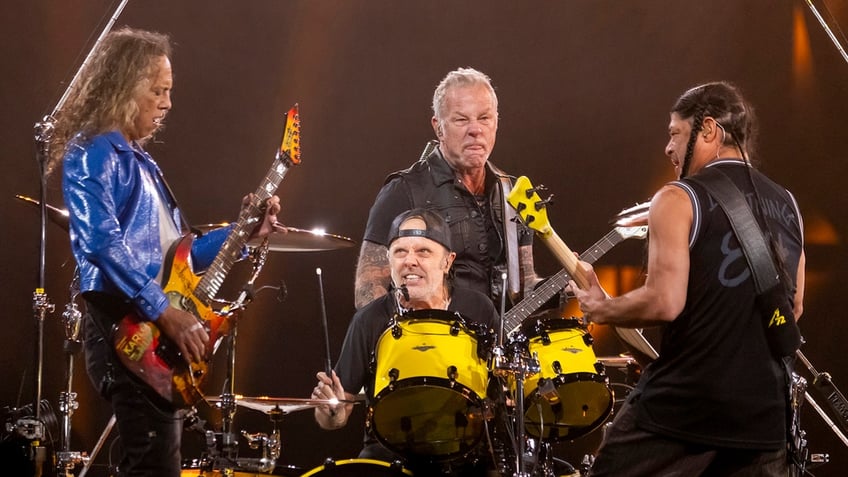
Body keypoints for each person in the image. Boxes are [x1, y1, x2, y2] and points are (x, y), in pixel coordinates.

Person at [47, 28, 282, 476]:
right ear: (122, 86)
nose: (167, 103)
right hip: (128, 328)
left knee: (156, 463)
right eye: (158, 91)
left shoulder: (141, 161)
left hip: (154, 330)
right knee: (152, 463)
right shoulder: (94, 150)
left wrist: (244, 232)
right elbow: (99, 242)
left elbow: (182, 256)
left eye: (168, 91)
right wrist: (165, 311)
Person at [569, 82, 805, 476]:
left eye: (675, 133)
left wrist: (603, 308)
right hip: (764, 418)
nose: (668, 148)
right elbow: (793, 306)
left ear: (708, 130)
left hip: (686, 407)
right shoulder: (788, 203)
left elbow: (665, 301)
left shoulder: (678, 197)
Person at [313, 208, 499, 476]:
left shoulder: (478, 308)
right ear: (389, 261)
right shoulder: (370, 319)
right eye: (400, 252)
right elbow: (334, 415)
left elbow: (504, 385)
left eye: (423, 251)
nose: (409, 261)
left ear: (447, 262)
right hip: (390, 456)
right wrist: (332, 412)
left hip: (466, 454)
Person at [354, 67, 540, 310]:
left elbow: (524, 286)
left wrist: (565, 288)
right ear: (438, 127)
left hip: (498, 344)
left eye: (484, 118)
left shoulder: (513, 193)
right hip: (433, 340)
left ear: (496, 122)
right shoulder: (403, 191)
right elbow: (368, 293)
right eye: (462, 119)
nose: (476, 130)